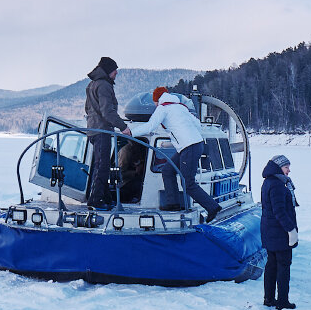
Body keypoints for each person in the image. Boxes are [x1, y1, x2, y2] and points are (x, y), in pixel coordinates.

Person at [129, 87, 222, 221]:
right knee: (168, 170)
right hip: (193, 145)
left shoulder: (163, 108)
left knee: (188, 183)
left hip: (189, 147)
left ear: (157, 99)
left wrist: (131, 133)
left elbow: (150, 126)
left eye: (154, 101)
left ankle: (212, 207)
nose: (154, 104)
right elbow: (197, 124)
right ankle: (173, 204)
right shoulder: (180, 107)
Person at [84, 56, 131, 210]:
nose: (116, 73)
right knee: (103, 166)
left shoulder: (92, 85)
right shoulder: (104, 85)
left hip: (93, 130)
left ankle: (107, 198)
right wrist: (123, 127)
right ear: (108, 71)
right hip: (102, 130)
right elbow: (107, 112)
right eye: (114, 70)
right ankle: (95, 201)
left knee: (100, 165)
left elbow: (88, 109)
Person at [260, 154, 299, 309]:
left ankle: (269, 299)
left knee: (272, 265)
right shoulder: (276, 185)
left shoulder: (269, 182)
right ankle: (282, 301)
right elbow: (280, 212)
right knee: (283, 265)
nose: (289, 171)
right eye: (286, 167)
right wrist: (291, 230)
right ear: (278, 167)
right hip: (279, 232)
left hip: (270, 230)